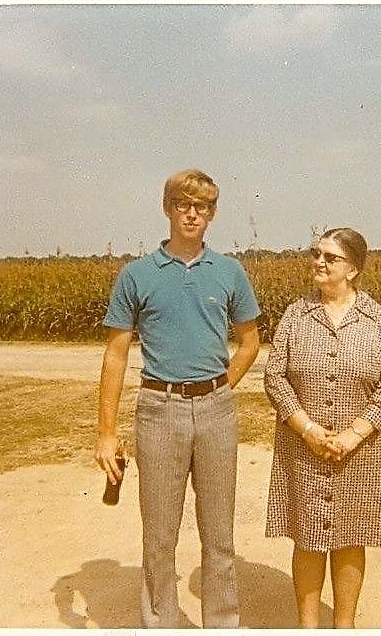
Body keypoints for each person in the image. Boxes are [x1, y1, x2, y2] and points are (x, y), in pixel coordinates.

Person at [94, 168, 261, 628]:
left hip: (216, 412)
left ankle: (220, 624)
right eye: (184, 205)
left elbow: (250, 341)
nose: (193, 214)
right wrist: (106, 434)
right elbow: (114, 355)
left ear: (212, 213)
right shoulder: (137, 275)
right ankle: (160, 624)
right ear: (167, 208)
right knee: (159, 537)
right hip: (158, 411)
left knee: (219, 537)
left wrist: (221, 386)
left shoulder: (229, 272)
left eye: (202, 207)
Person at [264, 227, 381, 629]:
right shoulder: (295, 314)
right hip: (303, 447)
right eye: (316, 254)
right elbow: (275, 376)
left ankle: (345, 627)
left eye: (331, 257)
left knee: (350, 538)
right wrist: (307, 428)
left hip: (360, 452)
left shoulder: (378, 320)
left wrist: (353, 433)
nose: (319, 263)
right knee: (308, 538)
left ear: (353, 269)